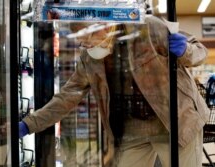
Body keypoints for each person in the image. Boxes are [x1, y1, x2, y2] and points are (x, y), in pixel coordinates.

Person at [19, 15, 210, 167]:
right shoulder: (89, 58)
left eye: (88, 40)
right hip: (132, 132)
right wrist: (29, 124)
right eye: (82, 43)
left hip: (175, 122)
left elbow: (199, 51)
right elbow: (68, 96)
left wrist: (185, 50)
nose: (85, 47)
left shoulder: (148, 27)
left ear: (102, 26)